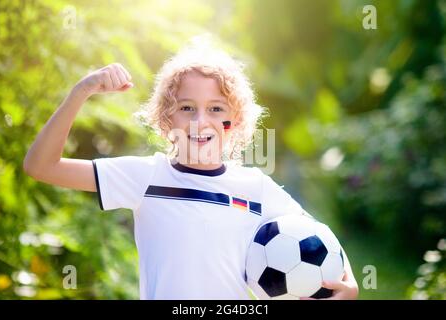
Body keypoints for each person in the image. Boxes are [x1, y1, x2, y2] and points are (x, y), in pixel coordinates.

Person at [23, 42, 359, 300]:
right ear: (167, 119)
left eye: (216, 108)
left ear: (235, 122)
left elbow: (320, 240)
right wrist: (81, 91)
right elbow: (41, 166)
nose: (201, 122)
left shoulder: (255, 187)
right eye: (187, 108)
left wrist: (351, 284)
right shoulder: (146, 177)